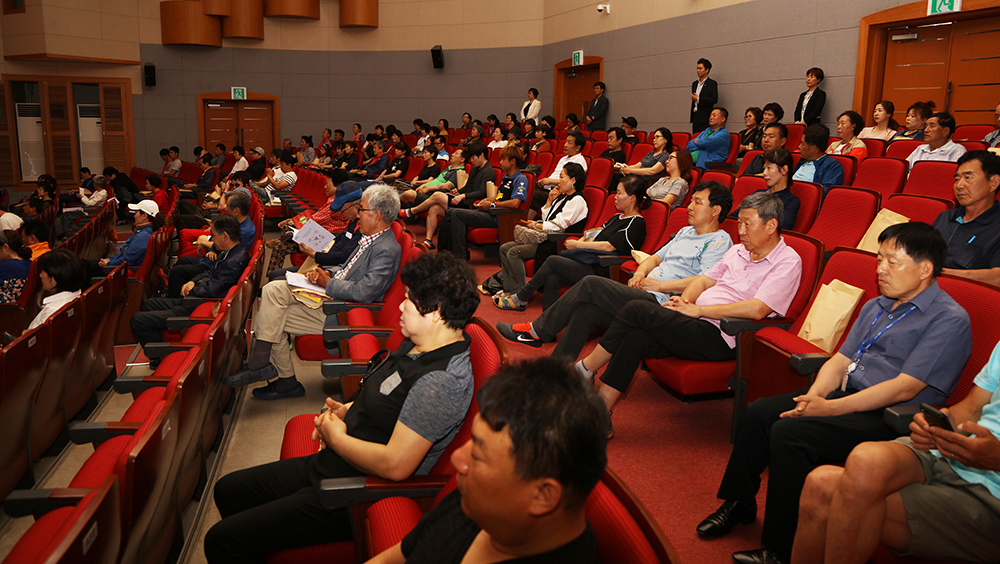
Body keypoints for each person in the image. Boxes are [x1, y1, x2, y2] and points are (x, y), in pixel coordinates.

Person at [700, 222, 971, 564]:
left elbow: (906, 386)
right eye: (879, 259)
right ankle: (740, 502)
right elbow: (840, 359)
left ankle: (782, 549)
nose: (880, 269)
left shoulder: (948, 319)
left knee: (789, 434)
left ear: (925, 269)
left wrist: (827, 410)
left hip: (892, 417)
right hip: (847, 398)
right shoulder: (877, 305)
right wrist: (815, 397)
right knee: (759, 413)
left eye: (891, 262)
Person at [206, 252, 479, 563]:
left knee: (223, 540)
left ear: (436, 312)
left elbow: (395, 465)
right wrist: (346, 409)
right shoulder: (418, 342)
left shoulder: (441, 381)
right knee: (228, 490)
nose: (400, 308)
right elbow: (386, 396)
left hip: (354, 489)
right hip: (336, 462)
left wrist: (336, 437)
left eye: (408, 300)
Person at [580, 191, 802, 437]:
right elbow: (704, 280)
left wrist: (698, 310)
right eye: (739, 223)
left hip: (725, 336)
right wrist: (684, 301)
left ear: (771, 225)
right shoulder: (737, 251)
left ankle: (585, 369)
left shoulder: (787, 261)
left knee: (637, 309)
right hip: (697, 322)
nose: (741, 230)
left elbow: (758, 309)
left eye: (747, 224)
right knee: (636, 337)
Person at [367, 356, 607, 564]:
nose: (456, 458)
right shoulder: (474, 503)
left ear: (542, 495)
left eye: (478, 456)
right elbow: (394, 557)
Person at [792, 338, 1000, 564]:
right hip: (952, 452)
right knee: (853, 465)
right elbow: (972, 407)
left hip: (990, 493)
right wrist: (939, 428)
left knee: (824, 487)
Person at [496, 181, 733, 360]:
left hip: (665, 302)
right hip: (647, 290)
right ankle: (559, 371)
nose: (689, 207)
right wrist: (641, 273)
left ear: (715, 210)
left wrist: (659, 286)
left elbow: (704, 281)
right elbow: (654, 258)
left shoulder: (720, 242)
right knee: (587, 311)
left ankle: (537, 330)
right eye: (691, 201)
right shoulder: (685, 232)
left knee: (591, 283)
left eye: (697, 202)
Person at [224, 185, 402, 401]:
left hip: (341, 310)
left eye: (362, 209)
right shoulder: (369, 237)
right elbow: (348, 267)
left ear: (377, 215)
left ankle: (275, 372)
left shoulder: (385, 249)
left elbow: (366, 291)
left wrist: (329, 283)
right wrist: (325, 273)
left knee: (270, 314)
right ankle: (269, 367)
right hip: (332, 294)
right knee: (271, 299)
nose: (358, 213)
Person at [494, 175, 647, 311]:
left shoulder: (636, 222)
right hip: (589, 260)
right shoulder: (616, 217)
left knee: (553, 260)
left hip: (604, 267)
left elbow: (609, 246)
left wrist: (579, 245)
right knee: (552, 279)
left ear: (632, 198)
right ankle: (547, 321)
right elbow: (594, 233)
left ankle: (521, 297)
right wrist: (581, 240)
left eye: (619, 193)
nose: (615, 197)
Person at [131, 214, 250, 350]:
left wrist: (191, 289)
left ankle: (163, 355)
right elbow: (210, 273)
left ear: (224, 236)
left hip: (201, 302)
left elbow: (212, 289)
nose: (212, 239)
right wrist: (192, 282)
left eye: (214, 235)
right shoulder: (232, 251)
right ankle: (162, 345)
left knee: (137, 320)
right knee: (150, 303)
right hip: (200, 296)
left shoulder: (234, 261)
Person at [499, 162, 588, 296]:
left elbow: (559, 225)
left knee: (513, 252)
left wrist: (536, 225)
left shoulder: (578, 200)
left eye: (562, 177)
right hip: (545, 237)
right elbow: (548, 220)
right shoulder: (562, 197)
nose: (559, 180)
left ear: (573, 180)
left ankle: (519, 293)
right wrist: (549, 201)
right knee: (504, 248)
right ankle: (510, 289)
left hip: (555, 241)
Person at [440, 144, 528, 260]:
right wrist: (488, 200)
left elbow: (515, 203)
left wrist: (492, 204)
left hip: (500, 217)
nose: (500, 162)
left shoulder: (521, 179)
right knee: (450, 213)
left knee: (457, 214)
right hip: (492, 212)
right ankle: (445, 253)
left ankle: (460, 256)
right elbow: (500, 197)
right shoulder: (506, 177)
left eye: (503, 159)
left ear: (513, 161)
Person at [401, 143, 492, 250]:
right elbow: (468, 187)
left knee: (437, 195)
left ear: (481, 155)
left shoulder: (488, 171)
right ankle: (428, 241)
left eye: (473, 157)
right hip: (463, 199)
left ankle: (412, 211)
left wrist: (462, 195)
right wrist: (458, 191)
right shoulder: (474, 169)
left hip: (470, 204)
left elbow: (481, 192)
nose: (471, 159)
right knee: (434, 208)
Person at [931, 150, 1000, 286]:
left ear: (993, 182)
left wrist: (940, 274)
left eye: (968, 177)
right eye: (957, 179)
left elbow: (997, 277)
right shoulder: (946, 216)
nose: (959, 185)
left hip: (967, 298)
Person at [268, 184, 363, 283]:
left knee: (276, 280)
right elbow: (338, 241)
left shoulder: (361, 228)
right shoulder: (351, 222)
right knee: (274, 275)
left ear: (356, 208)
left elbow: (343, 257)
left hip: (331, 271)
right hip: (325, 259)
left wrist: (313, 254)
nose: (341, 213)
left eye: (342, 210)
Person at [169, 191, 254, 297]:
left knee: (177, 272)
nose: (225, 208)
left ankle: (176, 299)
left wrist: (191, 290)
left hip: (217, 262)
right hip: (218, 260)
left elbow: (229, 247)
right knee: (183, 260)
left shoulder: (245, 231)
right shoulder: (237, 223)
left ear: (236, 210)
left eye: (227, 206)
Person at [266, 170, 352, 274]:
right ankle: (280, 246)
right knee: (281, 243)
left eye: (327, 184)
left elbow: (313, 219)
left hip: (326, 240)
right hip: (321, 233)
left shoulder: (336, 204)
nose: (325, 187)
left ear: (338, 187)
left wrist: (290, 221)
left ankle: (281, 242)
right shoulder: (334, 200)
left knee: (287, 228)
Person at [529, 131, 588, 218]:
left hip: (561, 192)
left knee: (535, 195)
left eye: (569, 143)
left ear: (578, 148)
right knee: (528, 189)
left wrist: (549, 181)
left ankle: (527, 222)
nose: (565, 145)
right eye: (566, 141)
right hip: (549, 188)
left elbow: (571, 182)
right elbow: (555, 175)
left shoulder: (579, 162)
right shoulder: (563, 158)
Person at [27, 248, 86, 330]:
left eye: (43, 271)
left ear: (54, 279)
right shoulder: (77, 298)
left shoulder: (53, 311)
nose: (40, 275)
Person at [100, 200, 162, 268]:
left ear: (144, 216)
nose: (134, 216)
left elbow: (128, 260)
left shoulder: (143, 236)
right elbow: (125, 254)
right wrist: (110, 259)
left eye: (136, 213)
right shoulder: (143, 232)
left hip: (124, 269)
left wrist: (108, 263)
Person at [792, 124, 844, 196]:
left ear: (814, 148)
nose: (799, 146)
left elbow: (826, 193)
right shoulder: (803, 161)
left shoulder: (832, 166)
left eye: (802, 144)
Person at [0, 230, 32, 304]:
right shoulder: (28, 262)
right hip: (23, 307)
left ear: (5, 247)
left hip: (8, 310)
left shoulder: (6, 266)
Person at [691, 58, 719, 134]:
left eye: (700, 68)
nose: (698, 70)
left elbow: (714, 99)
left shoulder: (712, 83)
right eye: (697, 68)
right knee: (695, 137)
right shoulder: (694, 84)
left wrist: (698, 99)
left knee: (704, 137)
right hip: (695, 115)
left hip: (705, 117)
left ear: (707, 70)